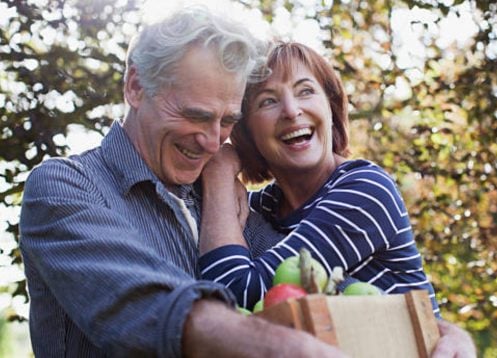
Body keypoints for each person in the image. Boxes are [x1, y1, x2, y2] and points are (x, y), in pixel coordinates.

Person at [18, 7, 344, 357]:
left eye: (227, 121)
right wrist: (286, 349)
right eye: (196, 116)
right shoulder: (65, 188)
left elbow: (303, 277)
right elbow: (147, 307)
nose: (213, 141)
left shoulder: (219, 200)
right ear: (136, 86)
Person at [198, 42, 476, 357]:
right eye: (268, 101)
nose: (291, 111)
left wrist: (220, 174)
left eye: (305, 91)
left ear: (330, 107)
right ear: (248, 131)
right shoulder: (262, 208)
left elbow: (234, 293)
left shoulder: (365, 191)